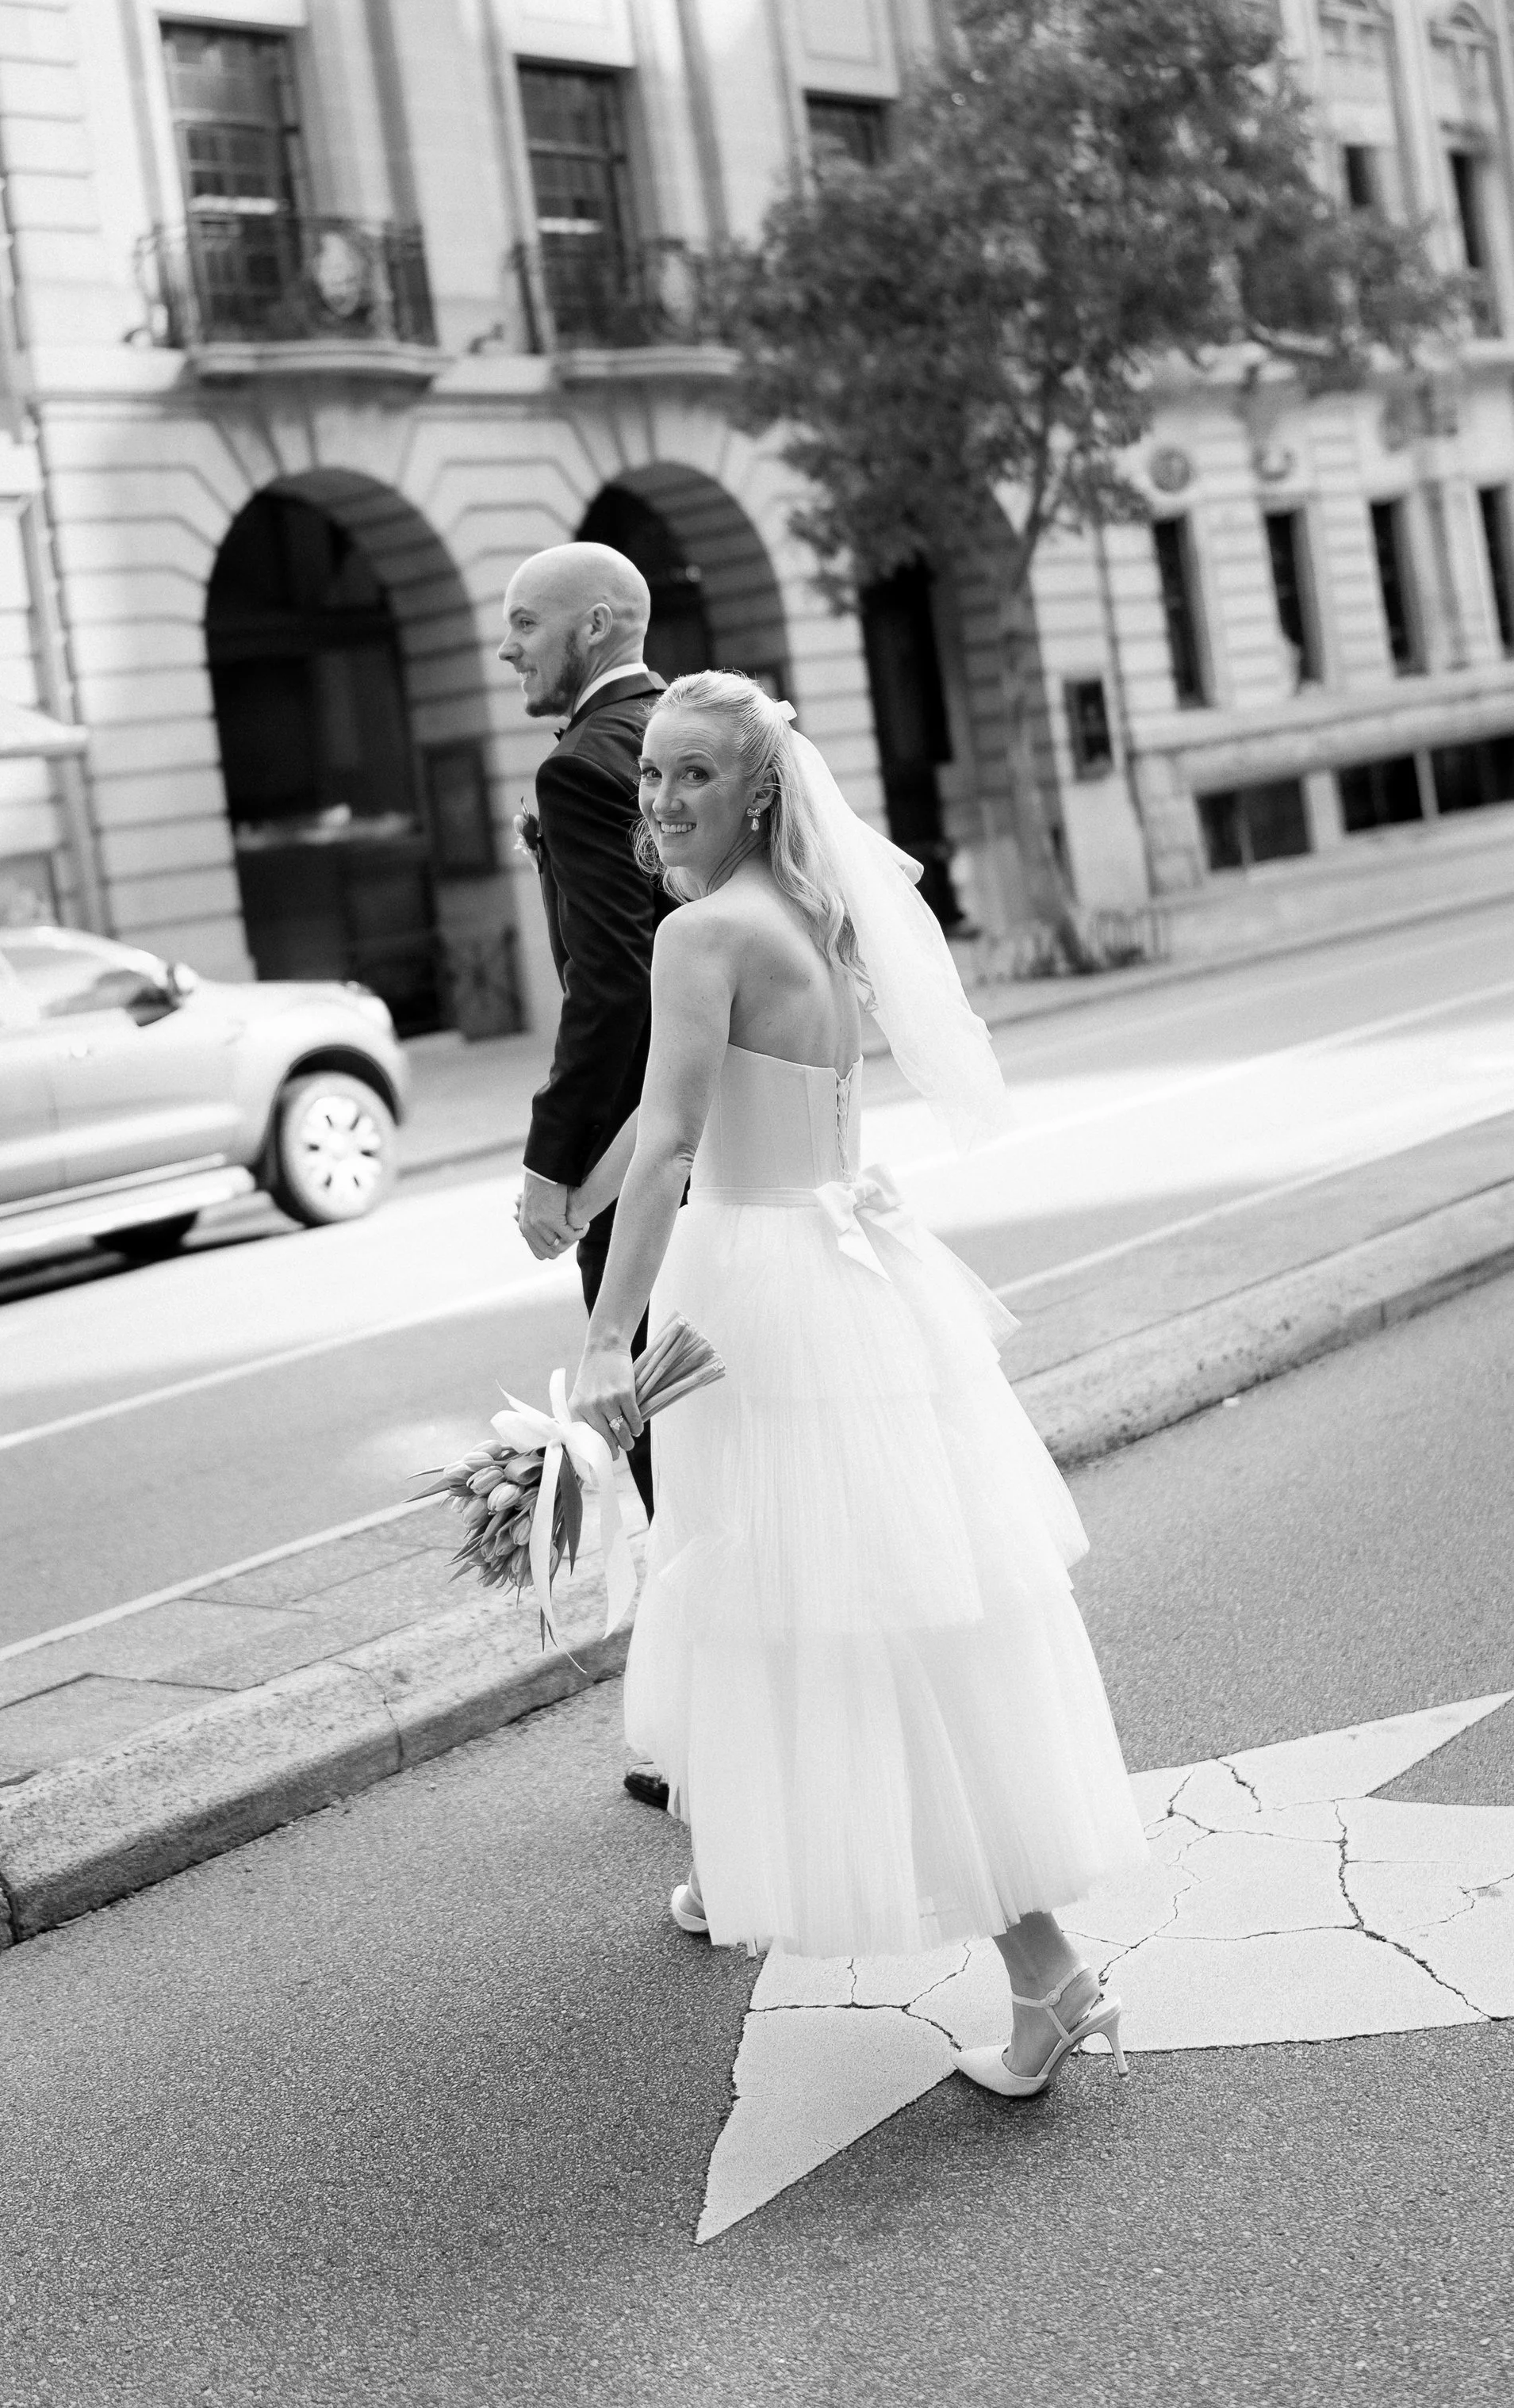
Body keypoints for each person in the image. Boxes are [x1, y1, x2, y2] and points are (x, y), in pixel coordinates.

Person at [565, 671, 1147, 2096]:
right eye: (652, 777)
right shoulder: (811, 914)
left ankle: (1046, 1969)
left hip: (759, 1290)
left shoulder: (701, 932)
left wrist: (605, 1341)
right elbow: (705, 1118)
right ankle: (730, 1864)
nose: (661, 799)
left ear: (759, 788)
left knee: (838, 1602)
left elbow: (672, 1146)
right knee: (819, 1583)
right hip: (850, 1276)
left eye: (693, 775)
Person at [499, 543, 671, 1811]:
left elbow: (613, 983)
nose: (506, 646)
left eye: (525, 622)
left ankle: (712, 1742)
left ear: (600, 623)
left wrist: (556, 1167)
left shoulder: (581, 764)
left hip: (643, 1156)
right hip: (741, 1131)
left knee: (670, 1446)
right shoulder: (704, 728)